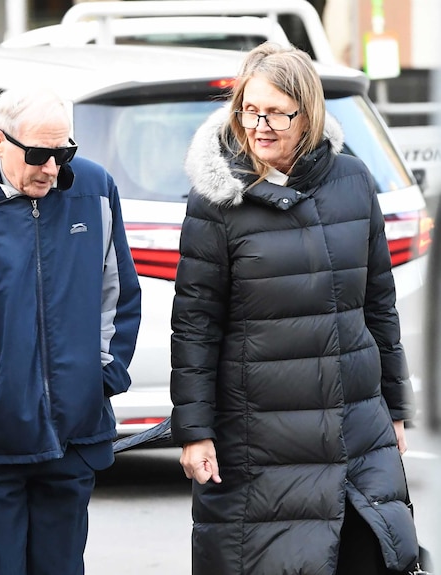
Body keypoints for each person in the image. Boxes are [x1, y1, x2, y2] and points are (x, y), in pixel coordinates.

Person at [170, 42, 421, 575]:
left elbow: (379, 302)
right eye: (249, 110)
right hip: (257, 438)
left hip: (356, 424)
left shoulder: (353, 181)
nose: (259, 125)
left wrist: (396, 407)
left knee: (371, 555)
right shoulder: (216, 203)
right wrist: (194, 431)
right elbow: (195, 325)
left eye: (276, 113)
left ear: (308, 114)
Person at [0, 86, 142, 575]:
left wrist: (98, 378)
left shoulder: (94, 188)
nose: (52, 168)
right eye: (39, 155)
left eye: (64, 153)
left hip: (72, 438)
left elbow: (119, 292)